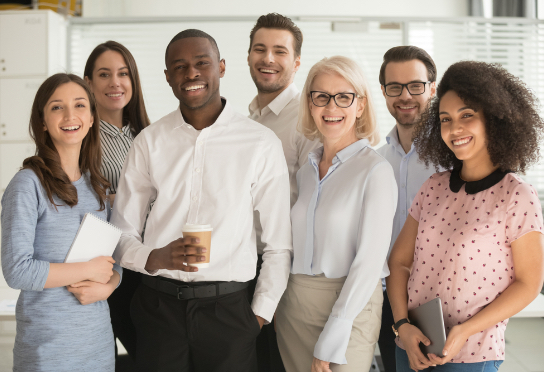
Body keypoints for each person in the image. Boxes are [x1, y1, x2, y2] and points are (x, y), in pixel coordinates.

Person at [111, 29, 292, 372]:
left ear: (221, 68)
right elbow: (121, 233)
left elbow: (278, 244)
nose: (191, 73)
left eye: (201, 63)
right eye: (179, 66)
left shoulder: (260, 143)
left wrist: (258, 315)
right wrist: (155, 257)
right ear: (167, 77)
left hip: (230, 312)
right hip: (158, 308)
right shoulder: (149, 142)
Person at [387, 61, 544, 372]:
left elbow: (529, 283)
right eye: (446, 119)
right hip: (413, 349)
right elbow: (400, 262)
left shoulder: (516, 195)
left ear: (494, 119)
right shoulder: (433, 187)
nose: (454, 129)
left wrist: (465, 330)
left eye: (467, 115)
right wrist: (402, 325)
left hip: (473, 355)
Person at [275, 55, 397, 372]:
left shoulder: (376, 171)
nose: (331, 108)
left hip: (350, 305)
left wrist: (336, 330)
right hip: (295, 305)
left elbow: (369, 263)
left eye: (344, 97)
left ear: (360, 105)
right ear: (310, 104)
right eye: (321, 97)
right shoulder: (305, 171)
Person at [1, 73, 122, 371]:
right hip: (48, 352)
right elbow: (17, 271)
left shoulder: (97, 186)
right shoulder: (27, 185)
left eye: (80, 105)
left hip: (98, 347)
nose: (70, 115)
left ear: (92, 118)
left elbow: (113, 260)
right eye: (57, 107)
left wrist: (111, 284)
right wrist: (87, 270)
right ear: (42, 121)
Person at [247, 13, 320, 372]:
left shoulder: (306, 118)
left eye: (280, 51)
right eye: (260, 49)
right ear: (248, 57)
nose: (268, 59)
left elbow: (315, 203)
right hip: (247, 265)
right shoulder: (248, 118)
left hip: (288, 269)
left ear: (296, 62)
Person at [84, 40, 150, 361]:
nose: (115, 82)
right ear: (89, 84)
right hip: (104, 268)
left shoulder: (145, 135)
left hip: (145, 266)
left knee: (152, 356)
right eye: (104, 74)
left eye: (123, 73)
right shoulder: (82, 136)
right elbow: (81, 201)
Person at [376, 45, 438, 372]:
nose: (405, 96)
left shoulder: (453, 157)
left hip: (437, 298)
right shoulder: (376, 159)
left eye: (415, 86)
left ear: (433, 88)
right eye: (394, 87)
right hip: (387, 296)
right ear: (383, 91)